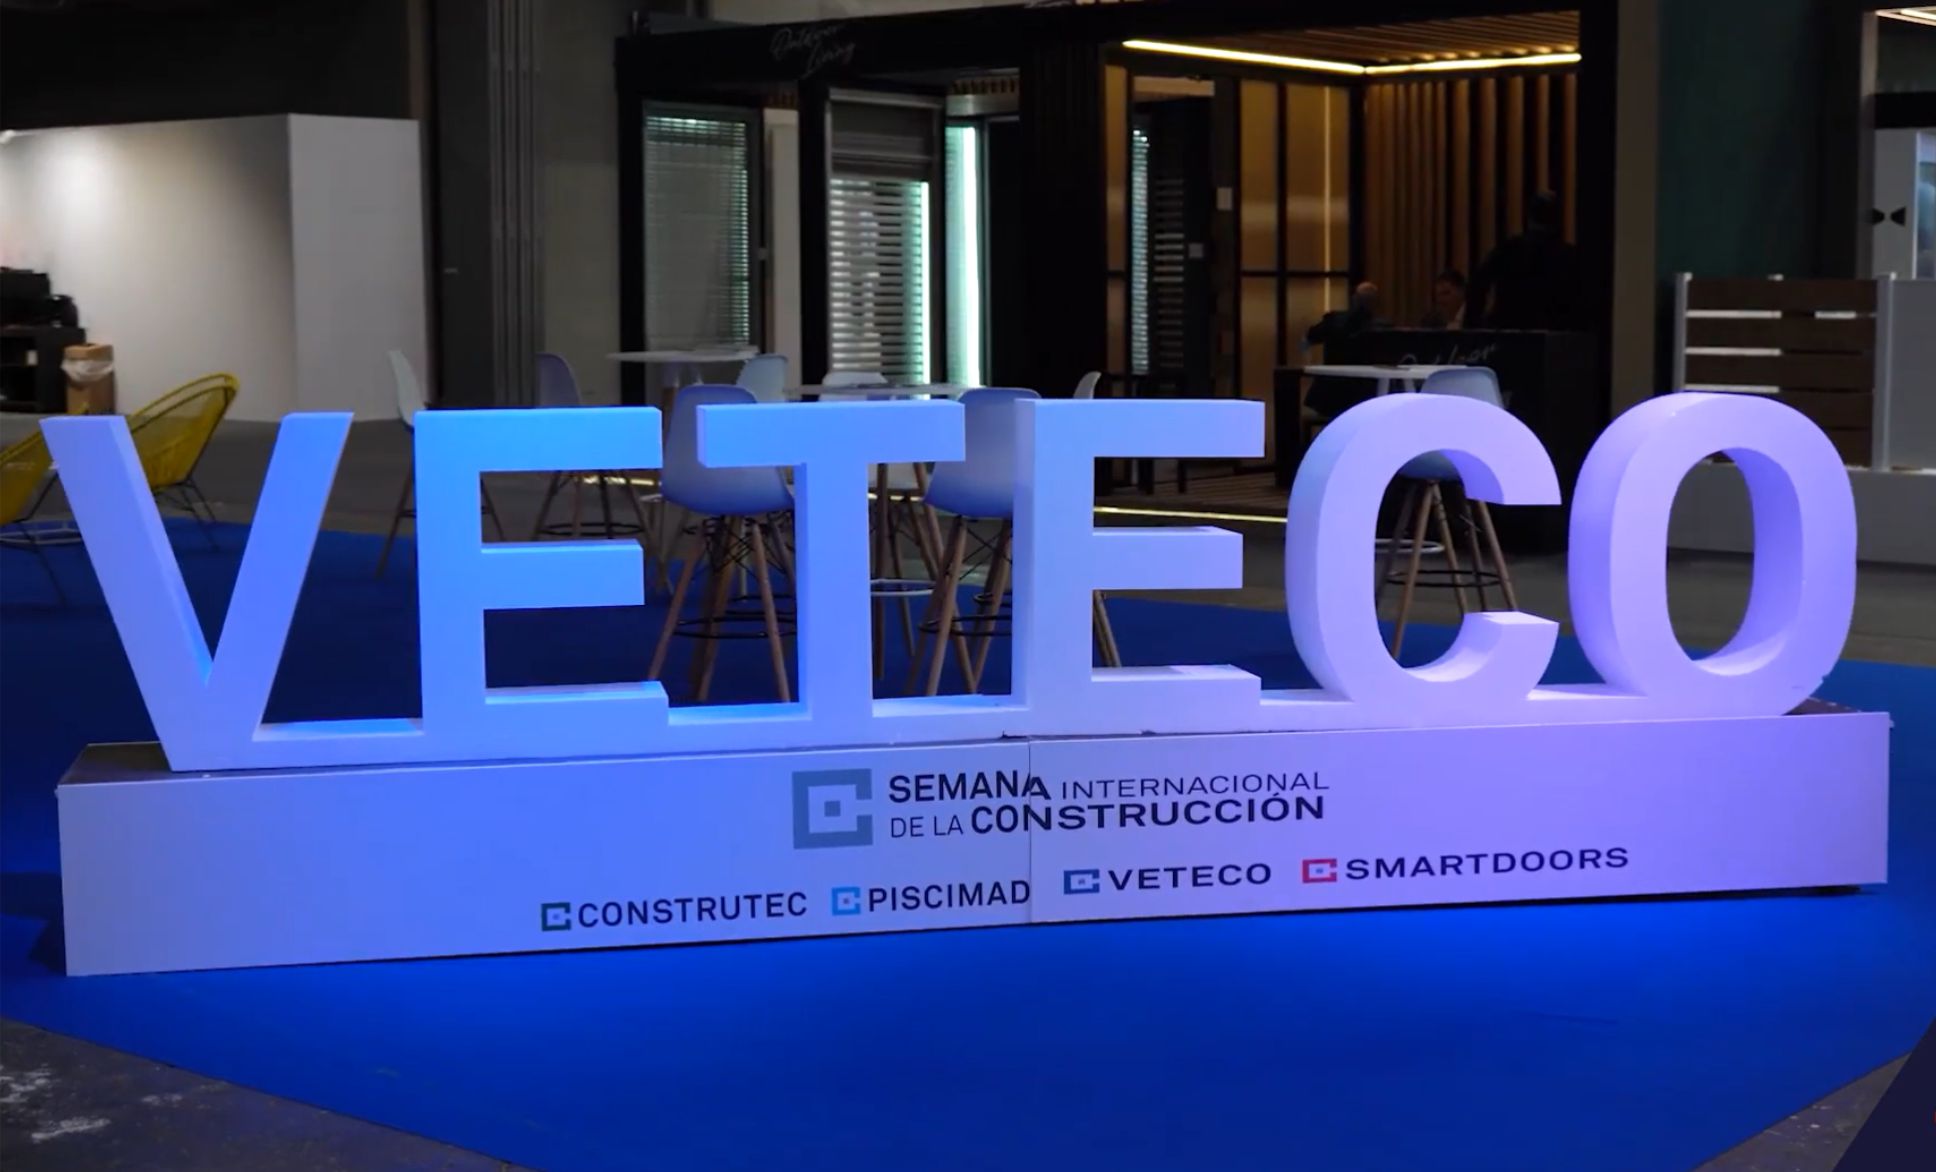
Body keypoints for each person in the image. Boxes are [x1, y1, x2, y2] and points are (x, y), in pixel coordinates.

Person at [1467, 192, 1580, 330]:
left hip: (1510, 332)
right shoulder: (1570, 256)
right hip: (1557, 334)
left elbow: (1478, 284)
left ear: (1528, 218)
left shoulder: (1508, 250)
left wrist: (1474, 326)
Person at [1302, 282, 1387, 419]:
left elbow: (1308, 339)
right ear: (1375, 302)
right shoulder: (1381, 328)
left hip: (1330, 393)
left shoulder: (1334, 321)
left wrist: (1309, 361)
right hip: (1366, 394)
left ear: (1354, 298)